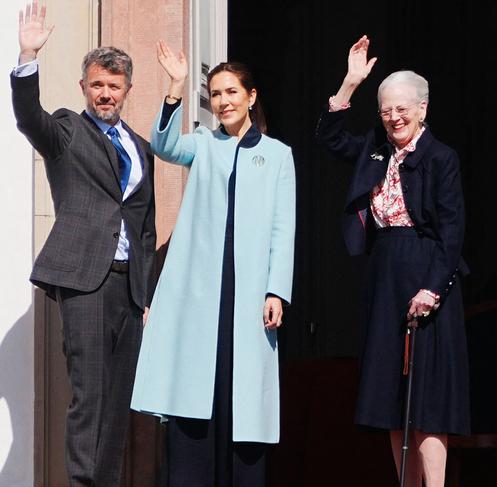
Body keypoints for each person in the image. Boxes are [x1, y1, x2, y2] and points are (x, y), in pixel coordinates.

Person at [130, 40, 295, 487]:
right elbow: (163, 145)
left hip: (251, 294)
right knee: (196, 393)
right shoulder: (203, 144)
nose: (222, 102)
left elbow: (284, 227)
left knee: (242, 401)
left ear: (251, 96)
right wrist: (175, 86)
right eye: (215, 94)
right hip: (202, 293)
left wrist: (276, 288)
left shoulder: (278, 155)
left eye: (231, 93)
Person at [11, 2, 156, 485]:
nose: (105, 94)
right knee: (89, 397)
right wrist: (27, 56)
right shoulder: (68, 130)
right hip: (84, 282)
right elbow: (30, 117)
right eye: (97, 85)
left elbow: (145, 225)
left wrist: (146, 296)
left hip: (128, 292)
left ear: (127, 91)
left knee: (118, 404)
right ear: (83, 87)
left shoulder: (139, 147)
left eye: (114, 86)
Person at [316, 35, 470, 487]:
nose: (394, 117)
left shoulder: (441, 158)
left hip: (428, 273)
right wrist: (349, 83)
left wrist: (432, 288)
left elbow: (453, 231)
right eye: (385, 109)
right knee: (389, 394)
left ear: (423, 108)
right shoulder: (375, 148)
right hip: (384, 272)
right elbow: (328, 137)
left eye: (402, 108)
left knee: (428, 398)